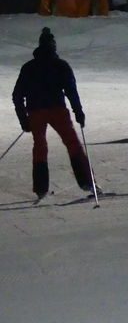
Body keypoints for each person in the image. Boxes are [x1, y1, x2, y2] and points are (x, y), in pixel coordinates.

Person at [11, 27, 93, 198]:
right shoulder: (60, 65)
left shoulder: (29, 67)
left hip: (36, 112)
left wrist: (23, 119)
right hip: (57, 110)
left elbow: (17, 95)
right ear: (53, 48)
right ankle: (87, 182)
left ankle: (41, 189)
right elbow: (71, 91)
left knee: (40, 147)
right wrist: (79, 112)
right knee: (72, 143)